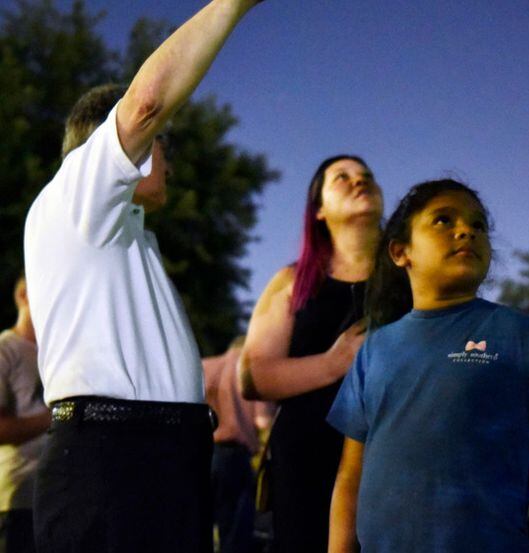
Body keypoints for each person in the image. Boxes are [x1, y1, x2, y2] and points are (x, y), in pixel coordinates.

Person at [23, 1, 265, 551]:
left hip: (148, 463)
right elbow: (147, 102)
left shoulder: (115, 231)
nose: (169, 161)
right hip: (114, 462)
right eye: (164, 143)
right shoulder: (76, 194)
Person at [327, 180, 529, 553]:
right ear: (401, 252)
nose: (467, 231)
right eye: (443, 220)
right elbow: (351, 473)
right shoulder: (375, 349)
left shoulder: (520, 336)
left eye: (478, 225)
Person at [239, 155, 382, 552]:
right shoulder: (292, 280)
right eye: (342, 178)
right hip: (307, 466)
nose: (359, 182)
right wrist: (334, 362)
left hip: (394, 463)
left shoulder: (413, 279)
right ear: (318, 210)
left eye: (367, 177)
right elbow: (251, 377)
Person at [203, 337, 274, 553]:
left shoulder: (205, 366)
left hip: (201, 454)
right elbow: (263, 421)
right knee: (233, 530)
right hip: (234, 458)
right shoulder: (250, 373)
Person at [0, 276, 50, 553]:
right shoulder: (5, 349)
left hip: (55, 495)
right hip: (18, 499)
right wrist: (54, 419)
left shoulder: (53, 354)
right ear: (22, 295)